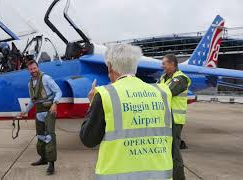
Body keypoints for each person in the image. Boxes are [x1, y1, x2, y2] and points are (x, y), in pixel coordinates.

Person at [80, 44, 174, 179]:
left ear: (110, 67)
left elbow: (88, 139)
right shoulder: (162, 92)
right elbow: (171, 135)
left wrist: (91, 104)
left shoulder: (106, 94)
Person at [20, 60, 62, 175]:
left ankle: (51, 164)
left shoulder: (46, 78)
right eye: (31, 69)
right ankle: (43, 158)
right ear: (28, 70)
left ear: (37, 67)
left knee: (49, 136)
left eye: (34, 68)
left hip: (49, 110)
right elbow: (33, 101)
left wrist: (55, 103)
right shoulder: (30, 84)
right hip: (39, 111)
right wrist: (24, 112)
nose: (33, 71)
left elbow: (58, 92)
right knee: (40, 136)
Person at [158, 54, 191, 180]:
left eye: (164, 63)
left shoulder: (180, 79)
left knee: (174, 150)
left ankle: (179, 177)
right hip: (166, 119)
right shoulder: (163, 77)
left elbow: (167, 92)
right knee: (166, 149)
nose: (162, 66)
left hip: (175, 120)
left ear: (172, 64)